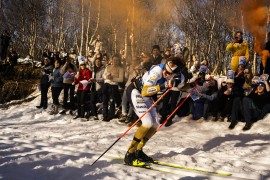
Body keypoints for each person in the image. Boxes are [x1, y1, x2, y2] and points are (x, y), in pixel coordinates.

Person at [124, 56, 185, 166]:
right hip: (136, 91)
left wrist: (193, 85)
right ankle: (129, 154)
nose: (166, 74)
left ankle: (138, 150)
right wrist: (164, 84)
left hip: (147, 96)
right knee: (147, 123)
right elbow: (144, 91)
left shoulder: (179, 75)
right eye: (166, 71)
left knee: (155, 124)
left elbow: (182, 87)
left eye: (170, 74)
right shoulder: (157, 70)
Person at [102, 54, 124, 121]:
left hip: (113, 86)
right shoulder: (108, 67)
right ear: (112, 60)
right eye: (114, 60)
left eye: (117, 60)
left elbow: (121, 79)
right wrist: (106, 77)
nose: (115, 61)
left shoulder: (120, 69)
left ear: (119, 61)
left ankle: (110, 116)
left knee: (112, 101)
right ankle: (105, 116)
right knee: (105, 101)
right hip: (106, 85)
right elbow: (103, 75)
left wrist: (113, 78)